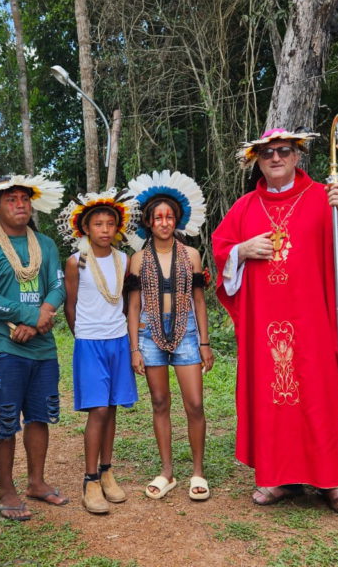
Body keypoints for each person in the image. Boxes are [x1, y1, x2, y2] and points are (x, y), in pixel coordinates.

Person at [211, 128, 338, 512]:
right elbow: (221, 253)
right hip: (264, 324)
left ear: (297, 156)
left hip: (315, 319)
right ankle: (279, 479)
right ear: (257, 160)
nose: (275, 158)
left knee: (322, 394)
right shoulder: (245, 207)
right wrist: (241, 250)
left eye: (283, 151)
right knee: (274, 399)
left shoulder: (325, 196)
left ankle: (333, 481)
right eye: (267, 153)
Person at [0, 174, 67, 521]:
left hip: (42, 347)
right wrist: (31, 315)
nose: (20, 205)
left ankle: (36, 482)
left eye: (24, 199)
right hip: (3, 346)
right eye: (11, 199)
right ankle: (6, 489)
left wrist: (43, 315)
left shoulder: (45, 243)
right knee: (5, 420)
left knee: (40, 416)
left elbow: (57, 285)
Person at [125, 170, 215, 501]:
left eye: (169, 217)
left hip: (187, 333)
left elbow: (200, 302)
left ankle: (198, 472)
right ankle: (166, 472)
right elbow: (133, 307)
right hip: (150, 336)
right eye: (157, 217)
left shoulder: (190, 256)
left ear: (177, 220)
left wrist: (204, 342)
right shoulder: (137, 260)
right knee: (160, 402)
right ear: (148, 222)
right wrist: (135, 347)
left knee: (194, 403)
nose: (163, 222)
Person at [57, 190, 140, 514]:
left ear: (118, 227)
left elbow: (126, 301)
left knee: (113, 407)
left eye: (110, 223)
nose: (104, 229)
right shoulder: (76, 261)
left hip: (118, 339)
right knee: (98, 411)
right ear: (85, 228)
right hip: (90, 343)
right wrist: (83, 335)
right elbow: (71, 304)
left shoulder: (123, 259)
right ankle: (89, 479)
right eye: (97, 224)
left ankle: (107, 471)